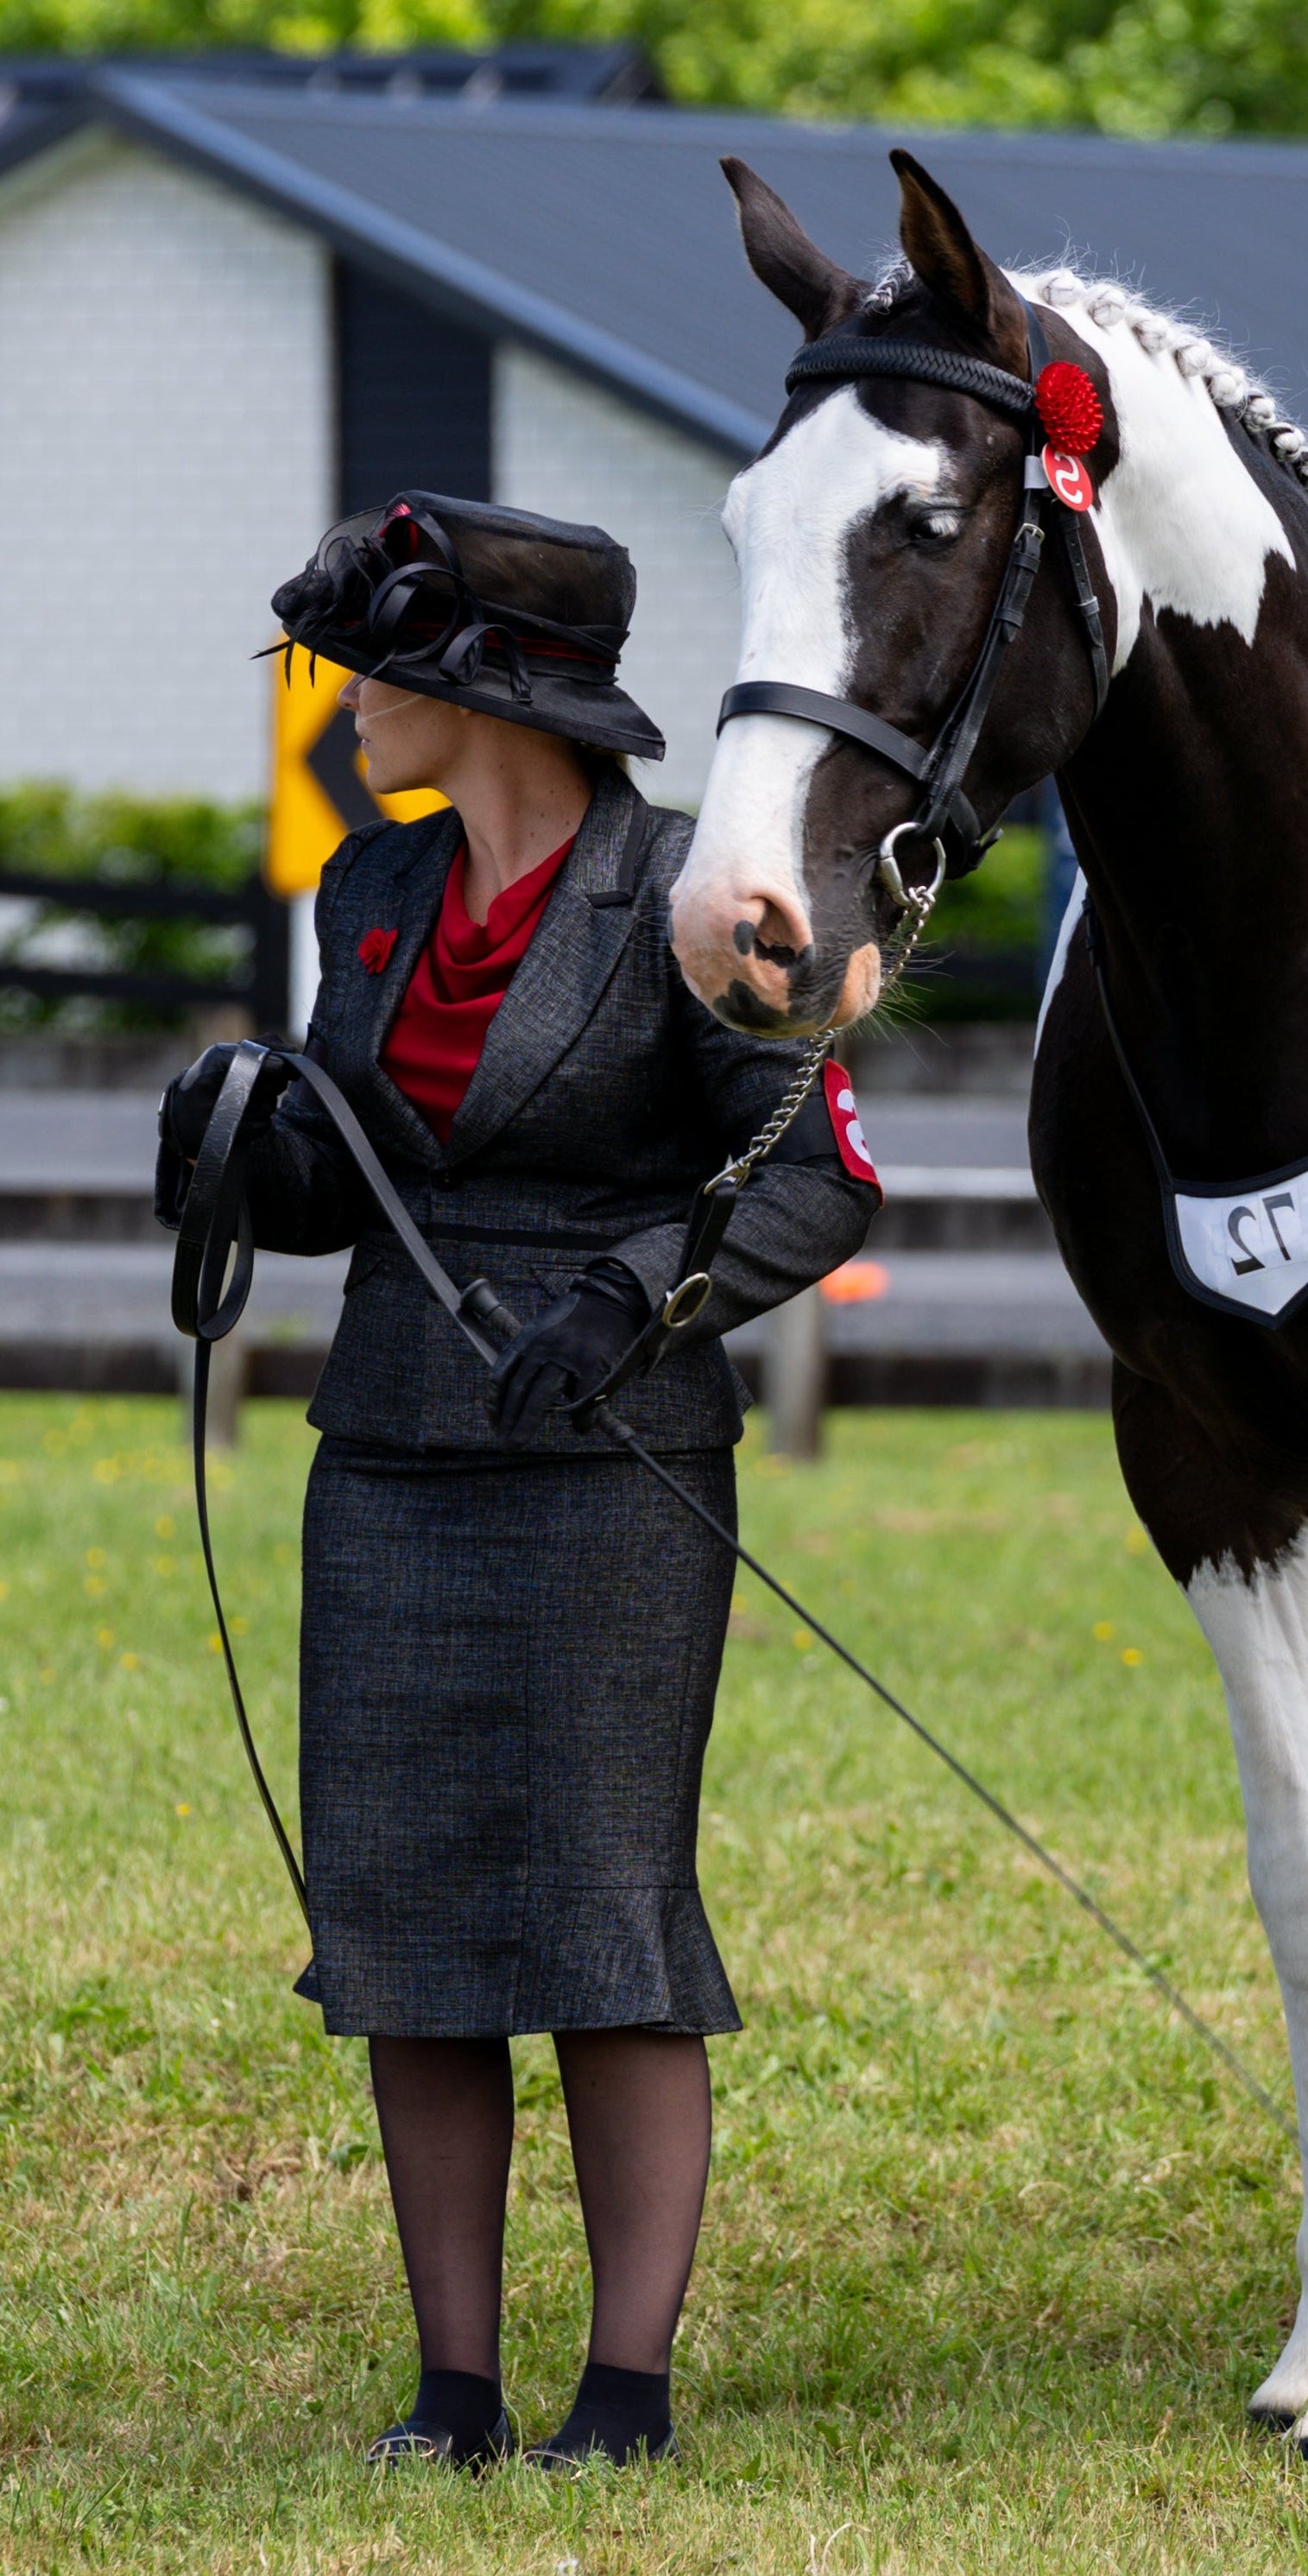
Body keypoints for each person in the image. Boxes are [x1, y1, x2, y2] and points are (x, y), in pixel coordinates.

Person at [156, 495, 879, 2470]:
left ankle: (622, 2394)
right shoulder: (368, 894)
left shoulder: (683, 893)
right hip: (388, 1458)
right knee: (408, 1924)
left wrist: (640, 1297)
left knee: (601, 1917)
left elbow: (812, 1168)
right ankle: (451, 2387)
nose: (344, 714)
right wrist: (245, 1150)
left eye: (368, 675)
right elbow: (363, 1175)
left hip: (608, 1468)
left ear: (482, 691)